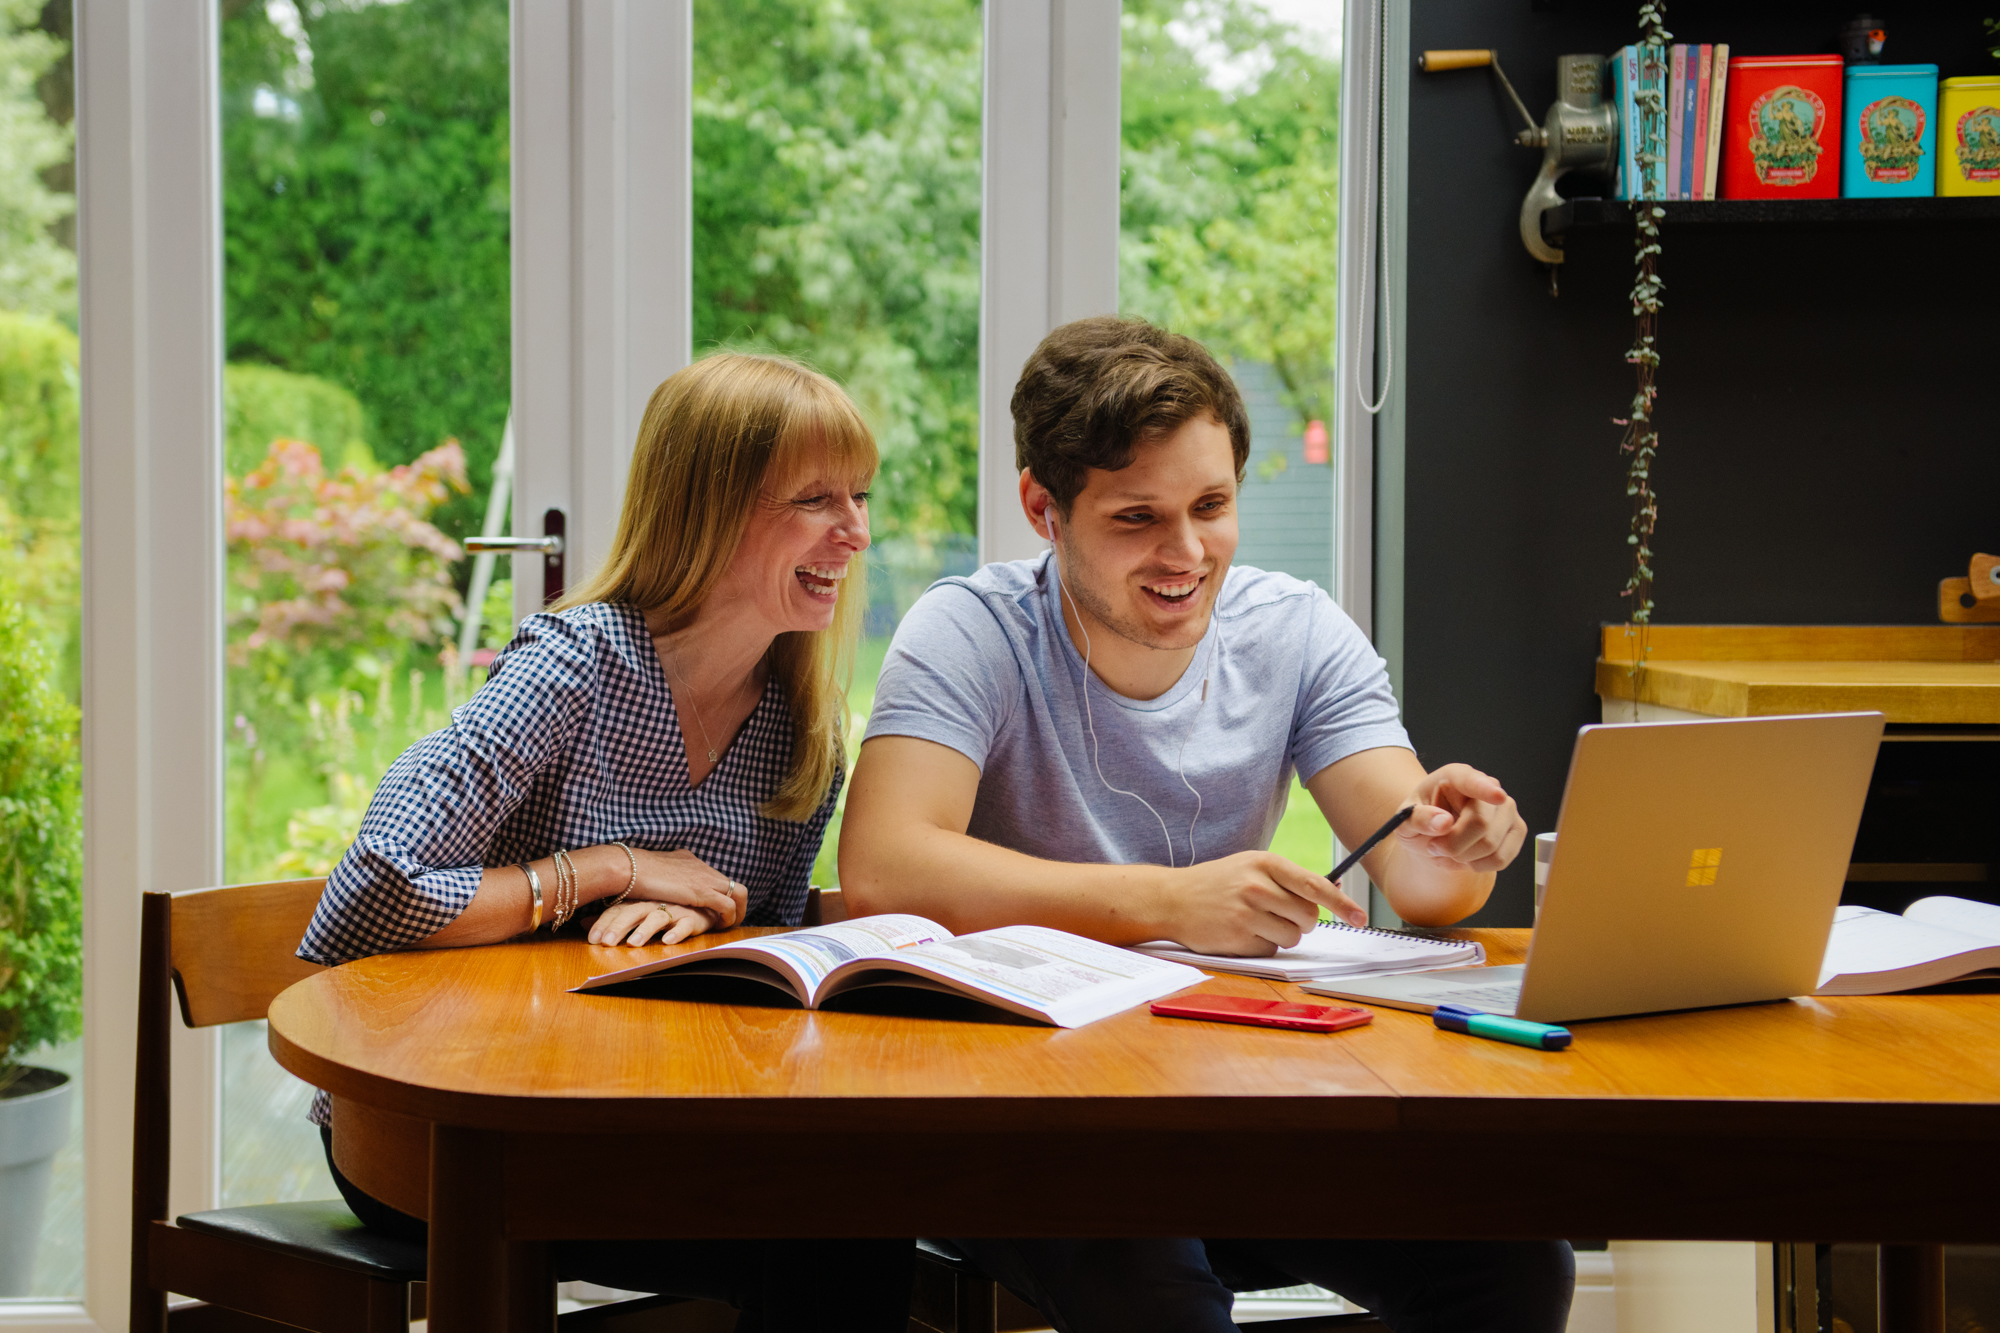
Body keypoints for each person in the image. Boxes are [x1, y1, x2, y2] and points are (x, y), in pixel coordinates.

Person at [837, 316, 1572, 1332]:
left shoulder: (1296, 627)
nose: (1185, 552)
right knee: (1151, 1285)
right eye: (1136, 518)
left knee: (1512, 1260)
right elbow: (883, 865)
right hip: (1033, 1120)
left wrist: (1459, 837)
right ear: (1042, 508)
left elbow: (1421, 881)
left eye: (1211, 505)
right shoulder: (968, 630)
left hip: (1241, 1107)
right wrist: (1173, 901)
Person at [297, 352, 912, 1332]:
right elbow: (375, 888)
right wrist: (608, 870)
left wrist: (718, 912)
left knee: (864, 1227)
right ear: (710, 508)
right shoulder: (573, 666)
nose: (857, 531)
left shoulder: (803, 727)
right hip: (447, 1137)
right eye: (815, 500)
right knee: (830, 1249)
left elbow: (771, 968)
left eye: (860, 496)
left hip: (642, 1125)